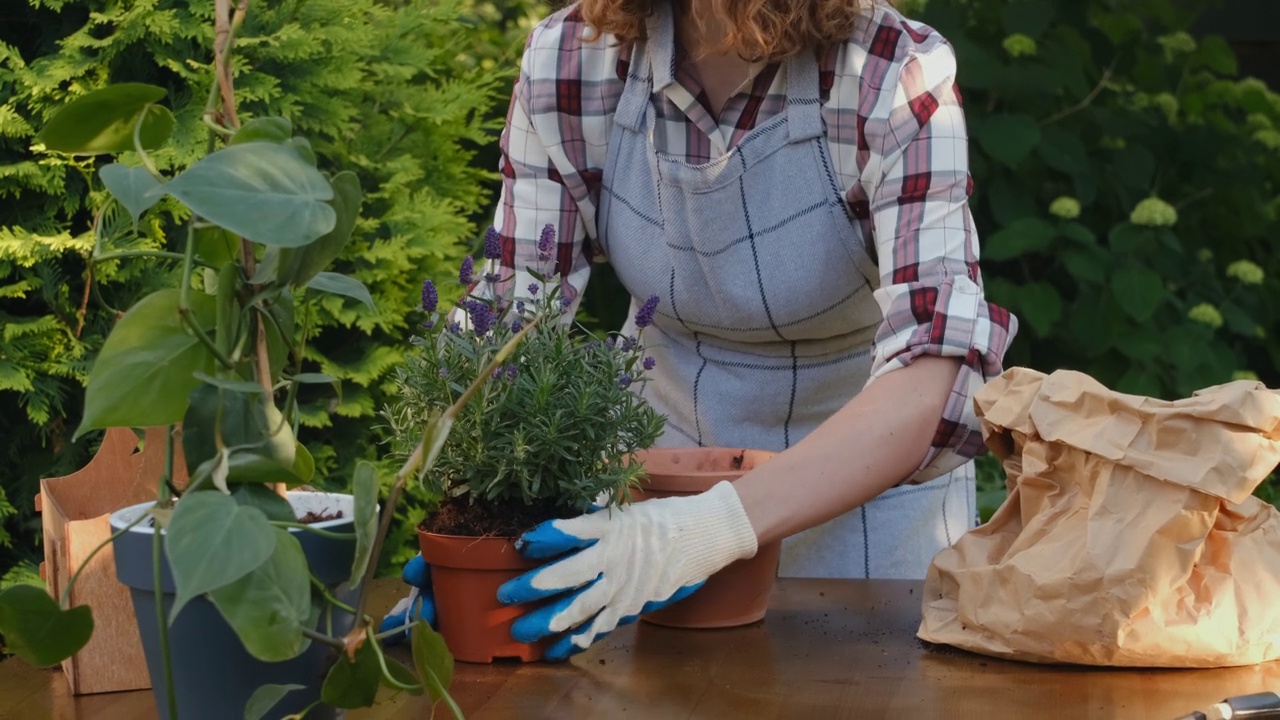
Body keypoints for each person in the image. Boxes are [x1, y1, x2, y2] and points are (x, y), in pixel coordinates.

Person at [383, 0, 1017, 660]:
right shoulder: (573, 58)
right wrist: (479, 540)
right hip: (645, 517)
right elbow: (511, 324)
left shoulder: (893, 72)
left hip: (865, 503)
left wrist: (715, 525)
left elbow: (935, 370)